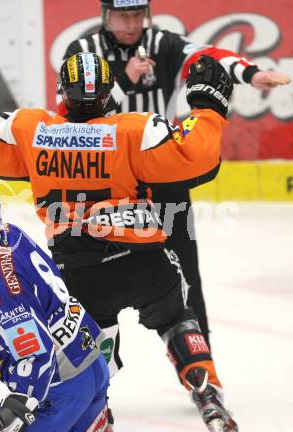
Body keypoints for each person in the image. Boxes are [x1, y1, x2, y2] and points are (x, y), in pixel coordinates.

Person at [0, 52, 238, 431]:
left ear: (62, 93)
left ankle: (100, 412)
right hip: (145, 259)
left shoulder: (33, 131)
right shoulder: (135, 129)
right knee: (176, 315)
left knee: (89, 346)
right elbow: (195, 154)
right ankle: (207, 393)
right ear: (107, 94)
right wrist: (209, 105)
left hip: (82, 272)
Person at [59, 0, 291, 374]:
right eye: (122, 16)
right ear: (105, 15)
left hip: (160, 175)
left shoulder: (162, 42)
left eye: (137, 14)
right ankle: (89, 374)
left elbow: (207, 55)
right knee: (91, 277)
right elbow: (68, 117)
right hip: (109, 183)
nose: (131, 24)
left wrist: (250, 73)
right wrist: (123, 84)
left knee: (186, 270)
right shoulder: (83, 54)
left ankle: (202, 368)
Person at [0, 179, 110, 432]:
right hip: (89, 360)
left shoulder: (1, 290)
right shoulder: (8, 233)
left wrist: (16, 407)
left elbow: (37, 356)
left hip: (61, 387)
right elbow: (30, 302)